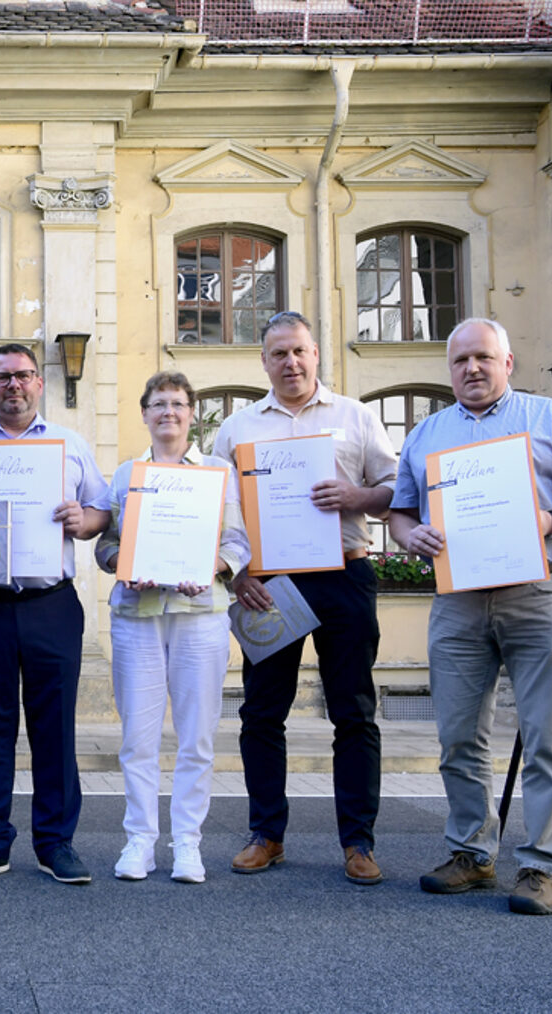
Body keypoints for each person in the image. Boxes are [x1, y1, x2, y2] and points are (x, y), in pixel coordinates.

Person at [389, 316, 552, 915]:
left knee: (546, 734)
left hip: (538, 591)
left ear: (507, 362)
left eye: (483, 358)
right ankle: (471, 853)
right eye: (461, 360)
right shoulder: (427, 433)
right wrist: (410, 535)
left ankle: (542, 866)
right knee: (458, 736)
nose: (472, 368)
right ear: (450, 370)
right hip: (458, 601)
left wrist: (550, 520)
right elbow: (400, 511)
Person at [213, 310, 397, 885]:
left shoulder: (357, 417)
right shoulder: (237, 429)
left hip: (344, 573)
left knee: (354, 712)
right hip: (267, 586)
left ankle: (358, 842)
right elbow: (221, 512)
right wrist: (235, 576)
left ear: (316, 354)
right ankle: (267, 834)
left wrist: (356, 494)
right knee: (262, 712)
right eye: (278, 354)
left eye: (299, 351)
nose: (290, 363)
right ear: (263, 361)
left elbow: (396, 493)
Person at [0, 342, 111, 885]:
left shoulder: (70, 444)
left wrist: (85, 520)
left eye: (24, 376)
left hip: (51, 605)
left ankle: (56, 844)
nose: (13, 385)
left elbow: (102, 509)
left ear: (40, 384)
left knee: (55, 731)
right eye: (2, 377)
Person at [95, 372, 249, 884]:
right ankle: (140, 840)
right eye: (158, 403)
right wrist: (123, 561)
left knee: (196, 737)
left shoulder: (217, 472)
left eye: (178, 404)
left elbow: (238, 544)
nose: (168, 412)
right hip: (137, 617)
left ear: (190, 414)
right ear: (144, 413)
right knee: (138, 737)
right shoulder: (125, 475)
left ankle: (187, 843)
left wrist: (211, 569)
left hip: (199, 616)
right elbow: (105, 545)